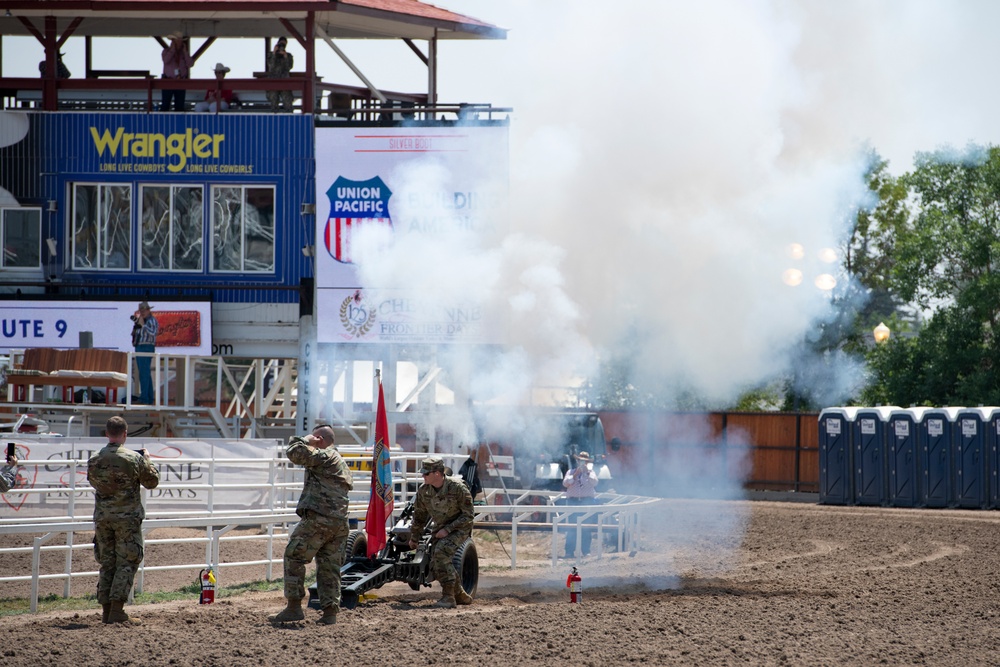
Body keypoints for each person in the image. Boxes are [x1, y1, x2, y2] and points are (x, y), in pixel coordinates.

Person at [272, 424, 353, 626]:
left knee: (294, 555)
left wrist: (305, 440)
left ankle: (294, 607)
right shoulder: (338, 460)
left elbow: (295, 453)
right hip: (338, 523)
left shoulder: (325, 455)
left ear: (319, 439)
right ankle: (329, 613)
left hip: (320, 519)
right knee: (329, 567)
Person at [87, 416, 160, 624]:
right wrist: (147, 460)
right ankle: (117, 610)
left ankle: (107, 610)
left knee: (107, 562)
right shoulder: (133, 459)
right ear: (125, 435)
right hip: (127, 518)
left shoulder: (94, 459)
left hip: (103, 518)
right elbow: (152, 481)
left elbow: (95, 482)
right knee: (126, 561)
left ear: (107, 434)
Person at [408, 456, 475, 608]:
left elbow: (468, 516)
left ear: (437, 474)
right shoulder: (424, 491)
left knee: (441, 553)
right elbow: (419, 517)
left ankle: (448, 597)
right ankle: (460, 595)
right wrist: (414, 538)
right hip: (440, 529)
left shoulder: (458, 488)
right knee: (435, 563)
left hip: (459, 527)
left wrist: (448, 529)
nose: (423, 476)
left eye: (426, 474)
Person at [561, 451, 599, 558]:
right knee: (572, 528)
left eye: (584, 461)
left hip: (587, 502)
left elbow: (595, 482)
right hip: (573, 502)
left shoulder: (591, 472)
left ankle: (586, 551)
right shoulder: (570, 472)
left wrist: (587, 473)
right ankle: (569, 551)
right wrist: (575, 474)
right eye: (580, 460)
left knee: (586, 528)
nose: (582, 463)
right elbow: (565, 483)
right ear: (577, 461)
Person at [131, 301, 159, 404]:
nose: (142, 313)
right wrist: (136, 326)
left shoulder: (152, 321)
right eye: (141, 311)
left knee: (144, 373)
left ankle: (144, 398)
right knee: (145, 373)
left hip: (146, 346)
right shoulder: (142, 320)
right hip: (139, 346)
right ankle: (148, 397)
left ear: (148, 310)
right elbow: (135, 334)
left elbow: (154, 333)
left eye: (144, 311)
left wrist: (143, 326)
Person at [161, 31, 193, 111]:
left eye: (180, 41)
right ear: (173, 41)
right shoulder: (166, 51)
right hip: (168, 81)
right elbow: (166, 60)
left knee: (180, 106)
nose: (179, 43)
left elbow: (190, 64)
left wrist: (185, 52)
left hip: (180, 81)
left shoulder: (184, 54)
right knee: (165, 105)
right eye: (177, 41)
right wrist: (173, 50)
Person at [266, 36, 294, 112]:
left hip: (285, 80)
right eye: (281, 44)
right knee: (273, 99)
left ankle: (289, 115)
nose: (282, 46)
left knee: (287, 100)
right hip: (273, 81)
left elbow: (289, 67)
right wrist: (274, 53)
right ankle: (274, 115)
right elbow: (271, 66)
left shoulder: (288, 56)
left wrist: (285, 57)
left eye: (284, 45)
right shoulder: (271, 55)